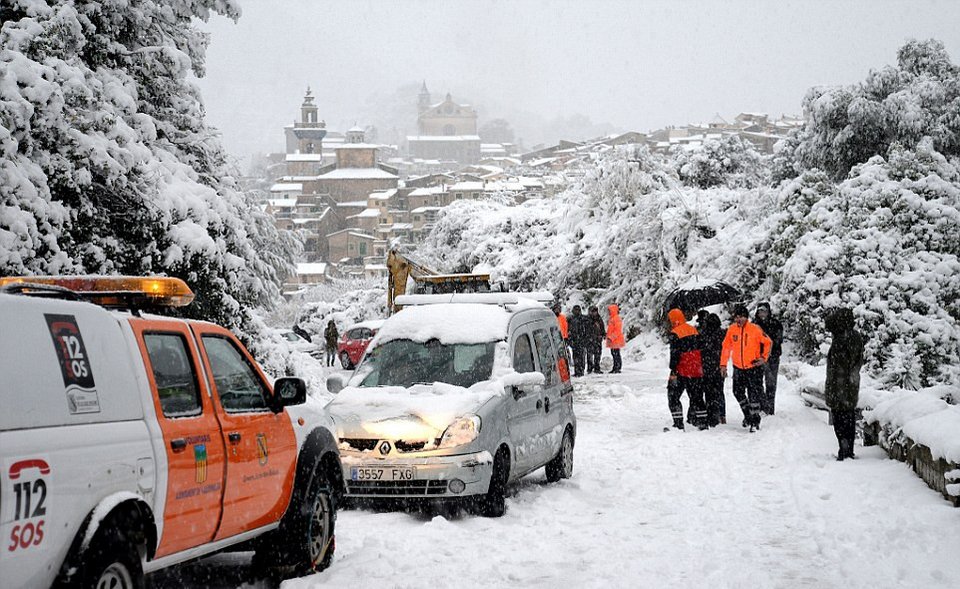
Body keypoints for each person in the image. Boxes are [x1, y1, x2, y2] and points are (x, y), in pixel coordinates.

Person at [720, 304, 771, 432]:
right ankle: (748, 414)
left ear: (746, 317)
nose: (739, 319)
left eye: (741, 317)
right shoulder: (732, 329)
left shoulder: (755, 329)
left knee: (753, 394)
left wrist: (763, 358)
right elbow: (726, 347)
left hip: (753, 367)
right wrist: (723, 365)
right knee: (737, 392)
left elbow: (768, 342)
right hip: (738, 367)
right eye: (736, 317)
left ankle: (755, 421)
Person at [824, 308, 864, 461]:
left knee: (841, 417)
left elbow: (843, 362)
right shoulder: (852, 336)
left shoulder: (843, 338)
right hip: (848, 383)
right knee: (847, 416)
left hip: (841, 383)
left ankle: (844, 448)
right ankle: (847, 448)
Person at [667, 309, 706, 430]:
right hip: (696, 368)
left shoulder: (675, 333)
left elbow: (675, 354)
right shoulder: (693, 329)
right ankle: (702, 422)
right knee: (697, 396)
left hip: (682, 368)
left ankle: (678, 423)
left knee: (673, 396)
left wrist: (673, 370)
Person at [754, 302, 784, 415]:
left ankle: (770, 408)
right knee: (757, 383)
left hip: (773, 357)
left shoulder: (776, 324)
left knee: (771, 383)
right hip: (757, 358)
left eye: (764, 311)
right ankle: (762, 406)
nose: (762, 314)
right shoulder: (754, 325)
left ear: (768, 312)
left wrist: (767, 345)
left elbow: (778, 340)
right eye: (760, 311)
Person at [697, 312, 726, 427]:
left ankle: (711, 416)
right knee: (719, 392)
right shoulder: (722, 334)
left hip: (707, 367)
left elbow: (699, 350)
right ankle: (721, 415)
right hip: (719, 366)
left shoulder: (702, 334)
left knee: (709, 393)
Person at [567, 305, 590, 377]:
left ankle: (580, 371)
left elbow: (587, 330)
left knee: (581, 357)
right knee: (576, 357)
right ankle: (577, 371)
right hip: (575, 341)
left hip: (581, 341)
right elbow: (569, 330)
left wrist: (586, 339)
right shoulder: (571, 319)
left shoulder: (584, 319)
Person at [606, 304, 625, 373]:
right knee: (614, 354)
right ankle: (615, 367)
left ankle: (617, 367)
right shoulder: (613, 318)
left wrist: (611, 337)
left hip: (616, 340)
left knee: (616, 354)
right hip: (613, 340)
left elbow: (617, 330)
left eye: (609, 310)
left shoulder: (616, 318)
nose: (608, 312)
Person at [586, 306, 605, 374]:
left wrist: (603, 334)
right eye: (593, 311)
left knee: (598, 354)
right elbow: (585, 329)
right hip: (590, 340)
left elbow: (602, 327)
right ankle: (590, 368)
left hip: (597, 339)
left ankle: (597, 367)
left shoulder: (599, 319)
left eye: (595, 311)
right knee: (589, 355)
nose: (594, 313)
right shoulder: (587, 319)